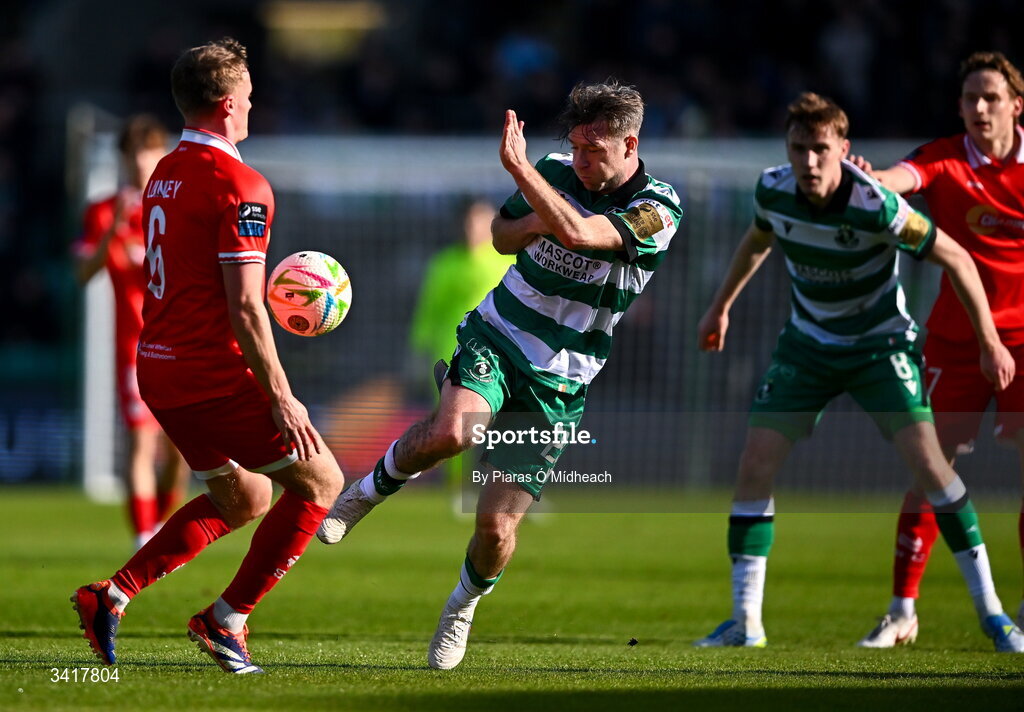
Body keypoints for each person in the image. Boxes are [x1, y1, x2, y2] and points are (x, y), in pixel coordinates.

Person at [317, 81, 682, 669]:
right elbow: (501, 235)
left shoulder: (658, 209)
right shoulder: (556, 169)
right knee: (451, 433)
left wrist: (520, 174)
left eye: (595, 150)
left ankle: (462, 605)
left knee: (493, 526)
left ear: (630, 143)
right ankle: (363, 493)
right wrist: (534, 211)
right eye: (575, 147)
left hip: (562, 378)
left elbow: (584, 235)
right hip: (501, 332)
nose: (581, 161)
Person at [693, 92, 1024, 652]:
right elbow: (758, 238)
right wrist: (721, 304)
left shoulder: (875, 203)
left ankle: (993, 615)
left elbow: (958, 258)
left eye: (821, 149)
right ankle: (746, 623)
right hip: (808, 347)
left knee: (931, 465)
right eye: (800, 149)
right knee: (754, 464)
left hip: (878, 347)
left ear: (843, 151)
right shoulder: (773, 189)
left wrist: (990, 340)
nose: (810, 162)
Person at [71, 37, 343, 674]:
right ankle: (226, 620)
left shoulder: (163, 171)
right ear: (226, 105)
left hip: (158, 367)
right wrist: (282, 396)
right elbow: (248, 308)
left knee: (243, 498)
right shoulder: (241, 185)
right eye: (248, 96)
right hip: (208, 374)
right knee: (321, 482)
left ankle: (109, 597)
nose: (254, 105)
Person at [850, 51, 1024, 648]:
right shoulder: (946, 157)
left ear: (1015, 106)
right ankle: (902, 611)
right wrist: (866, 179)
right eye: (970, 97)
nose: (979, 107)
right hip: (957, 340)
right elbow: (903, 179)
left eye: (991, 97)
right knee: (929, 471)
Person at [73, 115, 191, 550]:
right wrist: (110, 234)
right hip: (136, 345)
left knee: (181, 453)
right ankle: (145, 538)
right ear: (124, 159)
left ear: (162, 155)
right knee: (142, 441)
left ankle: (158, 526)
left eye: (150, 152)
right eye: (134, 153)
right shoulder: (104, 210)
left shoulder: (175, 207)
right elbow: (84, 273)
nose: (142, 162)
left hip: (182, 343)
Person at [407, 197, 514, 508]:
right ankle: (456, 488)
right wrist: (417, 350)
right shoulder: (444, 263)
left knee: (509, 424)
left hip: (501, 355)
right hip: (449, 351)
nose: (472, 229)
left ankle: (513, 491)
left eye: (479, 222)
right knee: (454, 423)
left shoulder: (506, 262)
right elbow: (427, 311)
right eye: (467, 222)